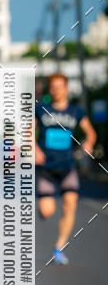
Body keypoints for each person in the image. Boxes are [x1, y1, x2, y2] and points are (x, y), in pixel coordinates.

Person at [35, 73, 96, 264]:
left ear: (67, 89)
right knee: (47, 211)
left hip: (67, 166)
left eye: (60, 86)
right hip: (45, 166)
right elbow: (27, 131)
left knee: (70, 206)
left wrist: (89, 142)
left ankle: (58, 248)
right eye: (53, 87)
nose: (56, 90)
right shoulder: (41, 109)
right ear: (49, 90)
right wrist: (34, 149)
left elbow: (90, 132)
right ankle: (44, 207)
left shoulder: (76, 112)